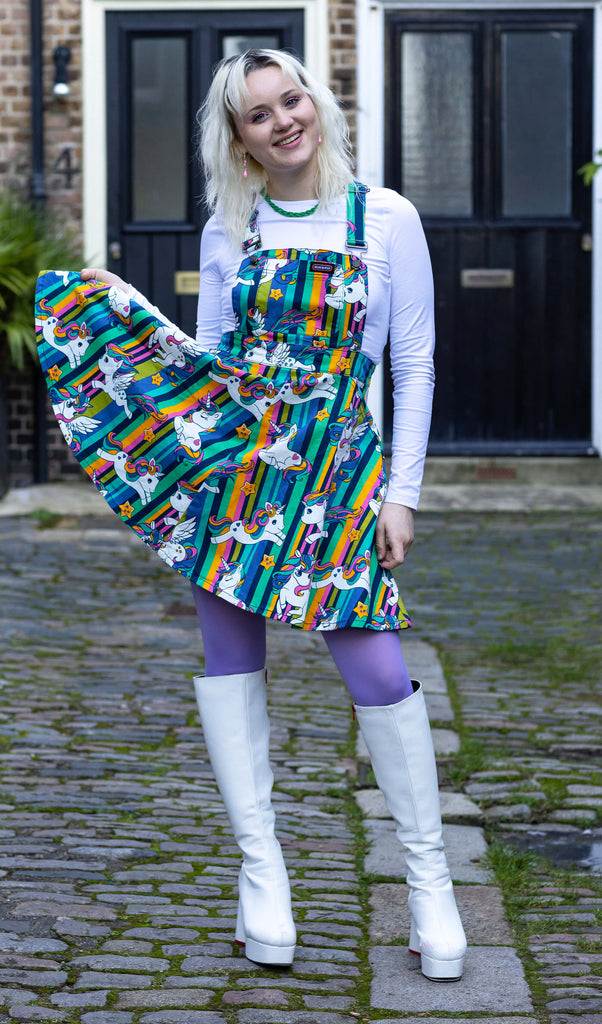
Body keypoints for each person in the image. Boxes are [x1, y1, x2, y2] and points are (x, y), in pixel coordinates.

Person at [34, 48, 466, 979]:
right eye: (258, 114)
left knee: (380, 671)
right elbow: (213, 365)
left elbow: (414, 367)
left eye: (291, 100)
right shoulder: (235, 224)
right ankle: (262, 882)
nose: (283, 122)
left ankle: (431, 890)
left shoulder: (386, 218)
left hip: (346, 480)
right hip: (240, 481)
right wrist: (127, 307)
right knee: (232, 660)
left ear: (317, 103)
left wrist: (403, 493)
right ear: (239, 140)